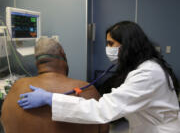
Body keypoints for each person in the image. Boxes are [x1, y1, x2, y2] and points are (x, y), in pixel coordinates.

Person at [18, 21, 180, 133]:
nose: (107, 49)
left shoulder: (148, 74)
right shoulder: (145, 66)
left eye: (111, 44)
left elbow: (103, 110)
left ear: (127, 45)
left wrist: (51, 99)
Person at [1, 38, 109, 133]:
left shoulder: (16, 88)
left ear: (37, 62)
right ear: (62, 54)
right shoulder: (88, 90)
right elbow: (104, 126)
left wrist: (49, 99)